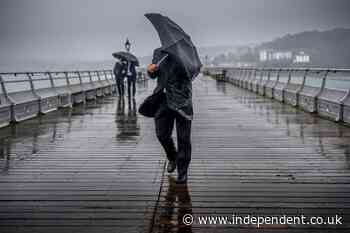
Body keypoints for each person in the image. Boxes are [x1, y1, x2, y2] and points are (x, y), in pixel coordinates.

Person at [147, 48, 193, 184]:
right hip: (164, 99)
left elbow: (190, 74)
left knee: (183, 138)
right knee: (161, 134)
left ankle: (182, 172)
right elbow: (154, 75)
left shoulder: (186, 53)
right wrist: (151, 70)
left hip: (182, 100)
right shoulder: (158, 53)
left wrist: (181, 60)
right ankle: (173, 157)